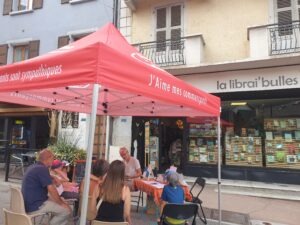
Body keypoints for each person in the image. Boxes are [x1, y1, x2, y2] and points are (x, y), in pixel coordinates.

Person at [21, 149, 71, 225]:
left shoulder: (34, 167)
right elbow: (51, 190)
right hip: (35, 206)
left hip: (29, 203)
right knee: (66, 211)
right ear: (48, 158)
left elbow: (43, 179)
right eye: (52, 158)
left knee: (61, 201)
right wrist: (61, 203)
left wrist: (52, 176)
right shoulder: (42, 169)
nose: (53, 161)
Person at [95, 160, 132, 224]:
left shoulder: (99, 187)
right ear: (123, 174)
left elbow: (92, 210)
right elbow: (126, 213)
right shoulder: (125, 190)